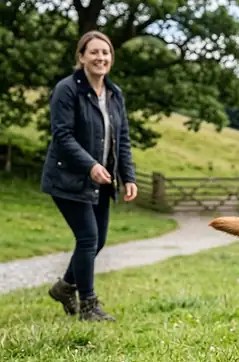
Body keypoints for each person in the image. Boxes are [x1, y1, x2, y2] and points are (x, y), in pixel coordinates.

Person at [41, 30, 138, 322]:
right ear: (81, 57)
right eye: (94, 52)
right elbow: (63, 135)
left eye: (105, 53)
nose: (101, 58)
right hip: (68, 179)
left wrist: (128, 176)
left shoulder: (114, 93)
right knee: (88, 238)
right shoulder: (67, 89)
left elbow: (122, 139)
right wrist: (90, 165)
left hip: (102, 182)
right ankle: (88, 305)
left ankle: (64, 287)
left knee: (98, 240)